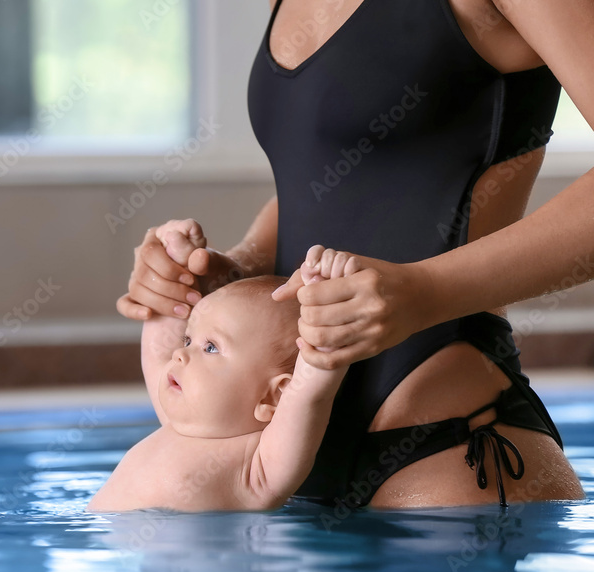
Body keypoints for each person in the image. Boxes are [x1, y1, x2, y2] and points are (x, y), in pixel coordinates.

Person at [116, 0, 591, 509]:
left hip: (441, 443)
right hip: (281, 460)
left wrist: (425, 293)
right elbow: (331, 176)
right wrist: (230, 271)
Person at [87, 243, 360, 512]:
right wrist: (175, 263)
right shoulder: (178, 419)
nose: (180, 354)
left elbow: (311, 389)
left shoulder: (260, 468)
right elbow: (159, 342)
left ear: (275, 395)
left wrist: (331, 305)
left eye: (211, 347)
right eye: (188, 339)